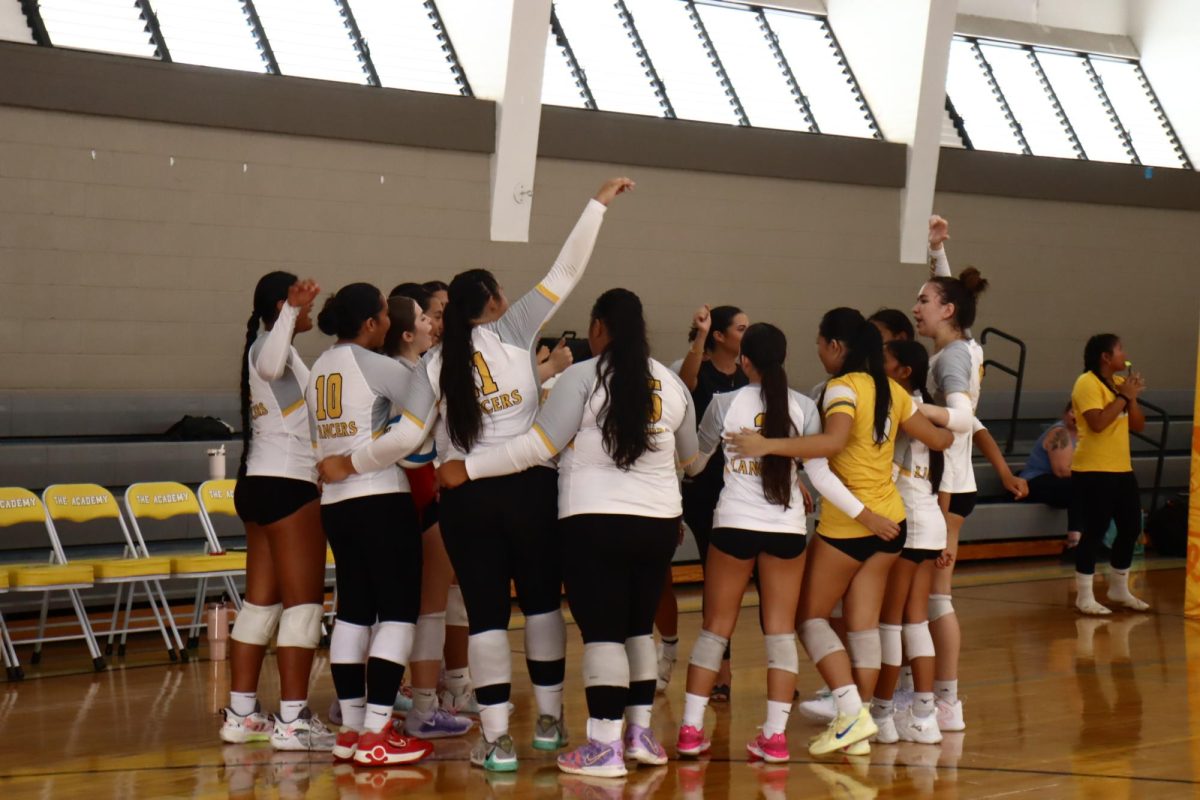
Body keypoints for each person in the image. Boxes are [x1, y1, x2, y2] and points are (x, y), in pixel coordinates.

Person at [318, 177, 635, 772]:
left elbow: (408, 438)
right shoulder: (515, 330)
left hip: (464, 495)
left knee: (486, 612)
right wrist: (596, 204)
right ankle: (548, 721)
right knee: (541, 606)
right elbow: (566, 271)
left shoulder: (432, 364)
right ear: (492, 302)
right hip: (531, 488)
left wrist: (348, 462)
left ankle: (496, 739)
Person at [438, 288, 695, 778]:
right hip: (660, 523)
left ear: (599, 328)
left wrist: (467, 469)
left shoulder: (583, 376)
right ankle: (639, 734)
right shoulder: (671, 382)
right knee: (638, 628)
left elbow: (537, 446)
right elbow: (691, 460)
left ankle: (602, 746)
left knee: (602, 634)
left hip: (594, 521)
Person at [728, 308, 952, 757]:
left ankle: (851, 712)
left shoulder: (842, 389)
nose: (818, 350)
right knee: (862, 624)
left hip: (851, 524)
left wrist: (768, 444)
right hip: (894, 522)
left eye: (819, 342)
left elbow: (831, 444)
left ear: (835, 346)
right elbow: (943, 440)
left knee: (807, 617)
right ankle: (861, 720)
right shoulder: (893, 390)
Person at [676, 322, 869, 763]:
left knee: (714, 630)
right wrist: (862, 513)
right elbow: (817, 469)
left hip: (733, 526)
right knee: (780, 633)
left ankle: (689, 731)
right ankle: (774, 738)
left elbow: (694, 466)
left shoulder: (724, 402)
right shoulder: (805, 407)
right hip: (786, 529)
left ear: (744, 361)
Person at [309, 283, 434, 767]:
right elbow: (419, 422)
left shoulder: (319, 366)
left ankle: (353, 731)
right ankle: (379, 731)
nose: (387, 321)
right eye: (384, 314)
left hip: (336, 506)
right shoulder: (380, 366)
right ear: (371, 324)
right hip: (379, 498)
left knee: (353, 612)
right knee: (399, 614)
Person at [221, 273, 336, 752]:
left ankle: (242, 714)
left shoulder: (281, 349)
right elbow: (269, 365)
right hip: (288, 488)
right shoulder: (269, 347)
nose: (310, 309)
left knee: (260, 605)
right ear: (280, 303)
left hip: (259, 486)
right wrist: (291, 310)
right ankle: (292, 720)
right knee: (303, 606)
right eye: (300, 302)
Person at [379, 295, 475, 740]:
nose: (431, 322)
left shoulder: (398, 370)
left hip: (399, 495)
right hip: (417, 493)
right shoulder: (411, 374)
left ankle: (363, 701)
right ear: (406, 331)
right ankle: (424, 705)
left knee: (394, 606)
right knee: (429, 607)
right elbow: (411, 442)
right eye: (423, 316)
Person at [913, 216, 988, 733]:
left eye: (924, 300)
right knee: (931, 598)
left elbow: (961, 419)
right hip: (951, 488)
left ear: (947, 310)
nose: (917, 308)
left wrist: (919, 415)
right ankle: (939, 701)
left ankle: (945, 702)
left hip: (946, 490)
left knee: (936, 599)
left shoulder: (951, 361)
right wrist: (939, 249)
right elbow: (955, 300)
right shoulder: (962, 346)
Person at [659, 304, 750, 700]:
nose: (747, 334)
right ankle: (689, 659)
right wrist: (699, 334)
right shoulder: (694, 366)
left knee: (723, 585)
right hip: (698, 486)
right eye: (741, 328)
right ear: (719, 335)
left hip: (741, 488)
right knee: (706, 579)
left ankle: (723, 676)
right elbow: (685, 381)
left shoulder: (751, 374)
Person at [869, 339, 952, 746]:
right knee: (915, 620)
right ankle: (923, 713)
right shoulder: (930, 409)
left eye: (883, 360)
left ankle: (883, 713)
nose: (876, 364)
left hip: (910, 523)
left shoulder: (901, 407)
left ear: (903, 371)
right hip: (930, 521)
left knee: (891, 622)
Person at [1071, 334, 1150, 615]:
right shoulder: (1086, 383)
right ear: (1105, 357)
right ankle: (1084, 595)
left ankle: (1119, 588)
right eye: (1120, 350)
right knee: (1095, 531)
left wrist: (1132, 398)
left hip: (1121, 468)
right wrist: (1123, 396)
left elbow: (1138, 426)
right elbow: (1098, 424)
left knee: (1131, 527)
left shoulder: (1118, 385)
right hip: (1093, 469)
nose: (1124, 355)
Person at [1020, 403, 1083, 555]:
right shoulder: (1060, 433)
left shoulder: (1089, 435)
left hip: (1058, 483)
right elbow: (1061, 471)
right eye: (1071, 411)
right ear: (1065, 413)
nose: (1074, 416)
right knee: (1080, 486)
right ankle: (1074, 543)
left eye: (1079, 412)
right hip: (1034, 481)